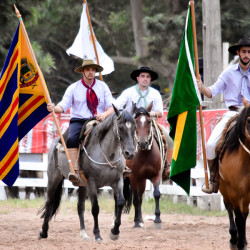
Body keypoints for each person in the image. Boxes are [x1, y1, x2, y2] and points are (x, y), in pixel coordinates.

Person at [47, 59, 114, 184]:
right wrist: (53, 108)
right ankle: (75, 170)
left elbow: (112, 107)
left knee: (116, 134)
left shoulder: (103, 86)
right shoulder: (73, 88)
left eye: (93, 70)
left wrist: (104, 115)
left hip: (99, 119)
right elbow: (62, 107)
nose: (90, 72)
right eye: (88, 70)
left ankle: (119, 166)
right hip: (79, 121)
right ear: (82, 71)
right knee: (72, 138)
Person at [197, 37, 250, 194]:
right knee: (211, 145)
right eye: (243, 52)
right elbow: (212, 92)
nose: (246, 55)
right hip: (233, 113)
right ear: (237, 53)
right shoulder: (228, 72)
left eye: (249, 52)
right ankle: (214, 179)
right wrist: (201, 87)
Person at [114, 66, 173, 178]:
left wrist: (147, 115)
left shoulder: (155, 93)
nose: (145, 79)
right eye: (142, 76)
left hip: (149, 123)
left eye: (147, 77)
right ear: (138, 78)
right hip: (131, 124)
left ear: (150, 79)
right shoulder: (128, 92)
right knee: (117, 137)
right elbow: (117, 106)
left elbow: (160, 112)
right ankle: (118, 164)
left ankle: (167, 165)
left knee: (168, 138)